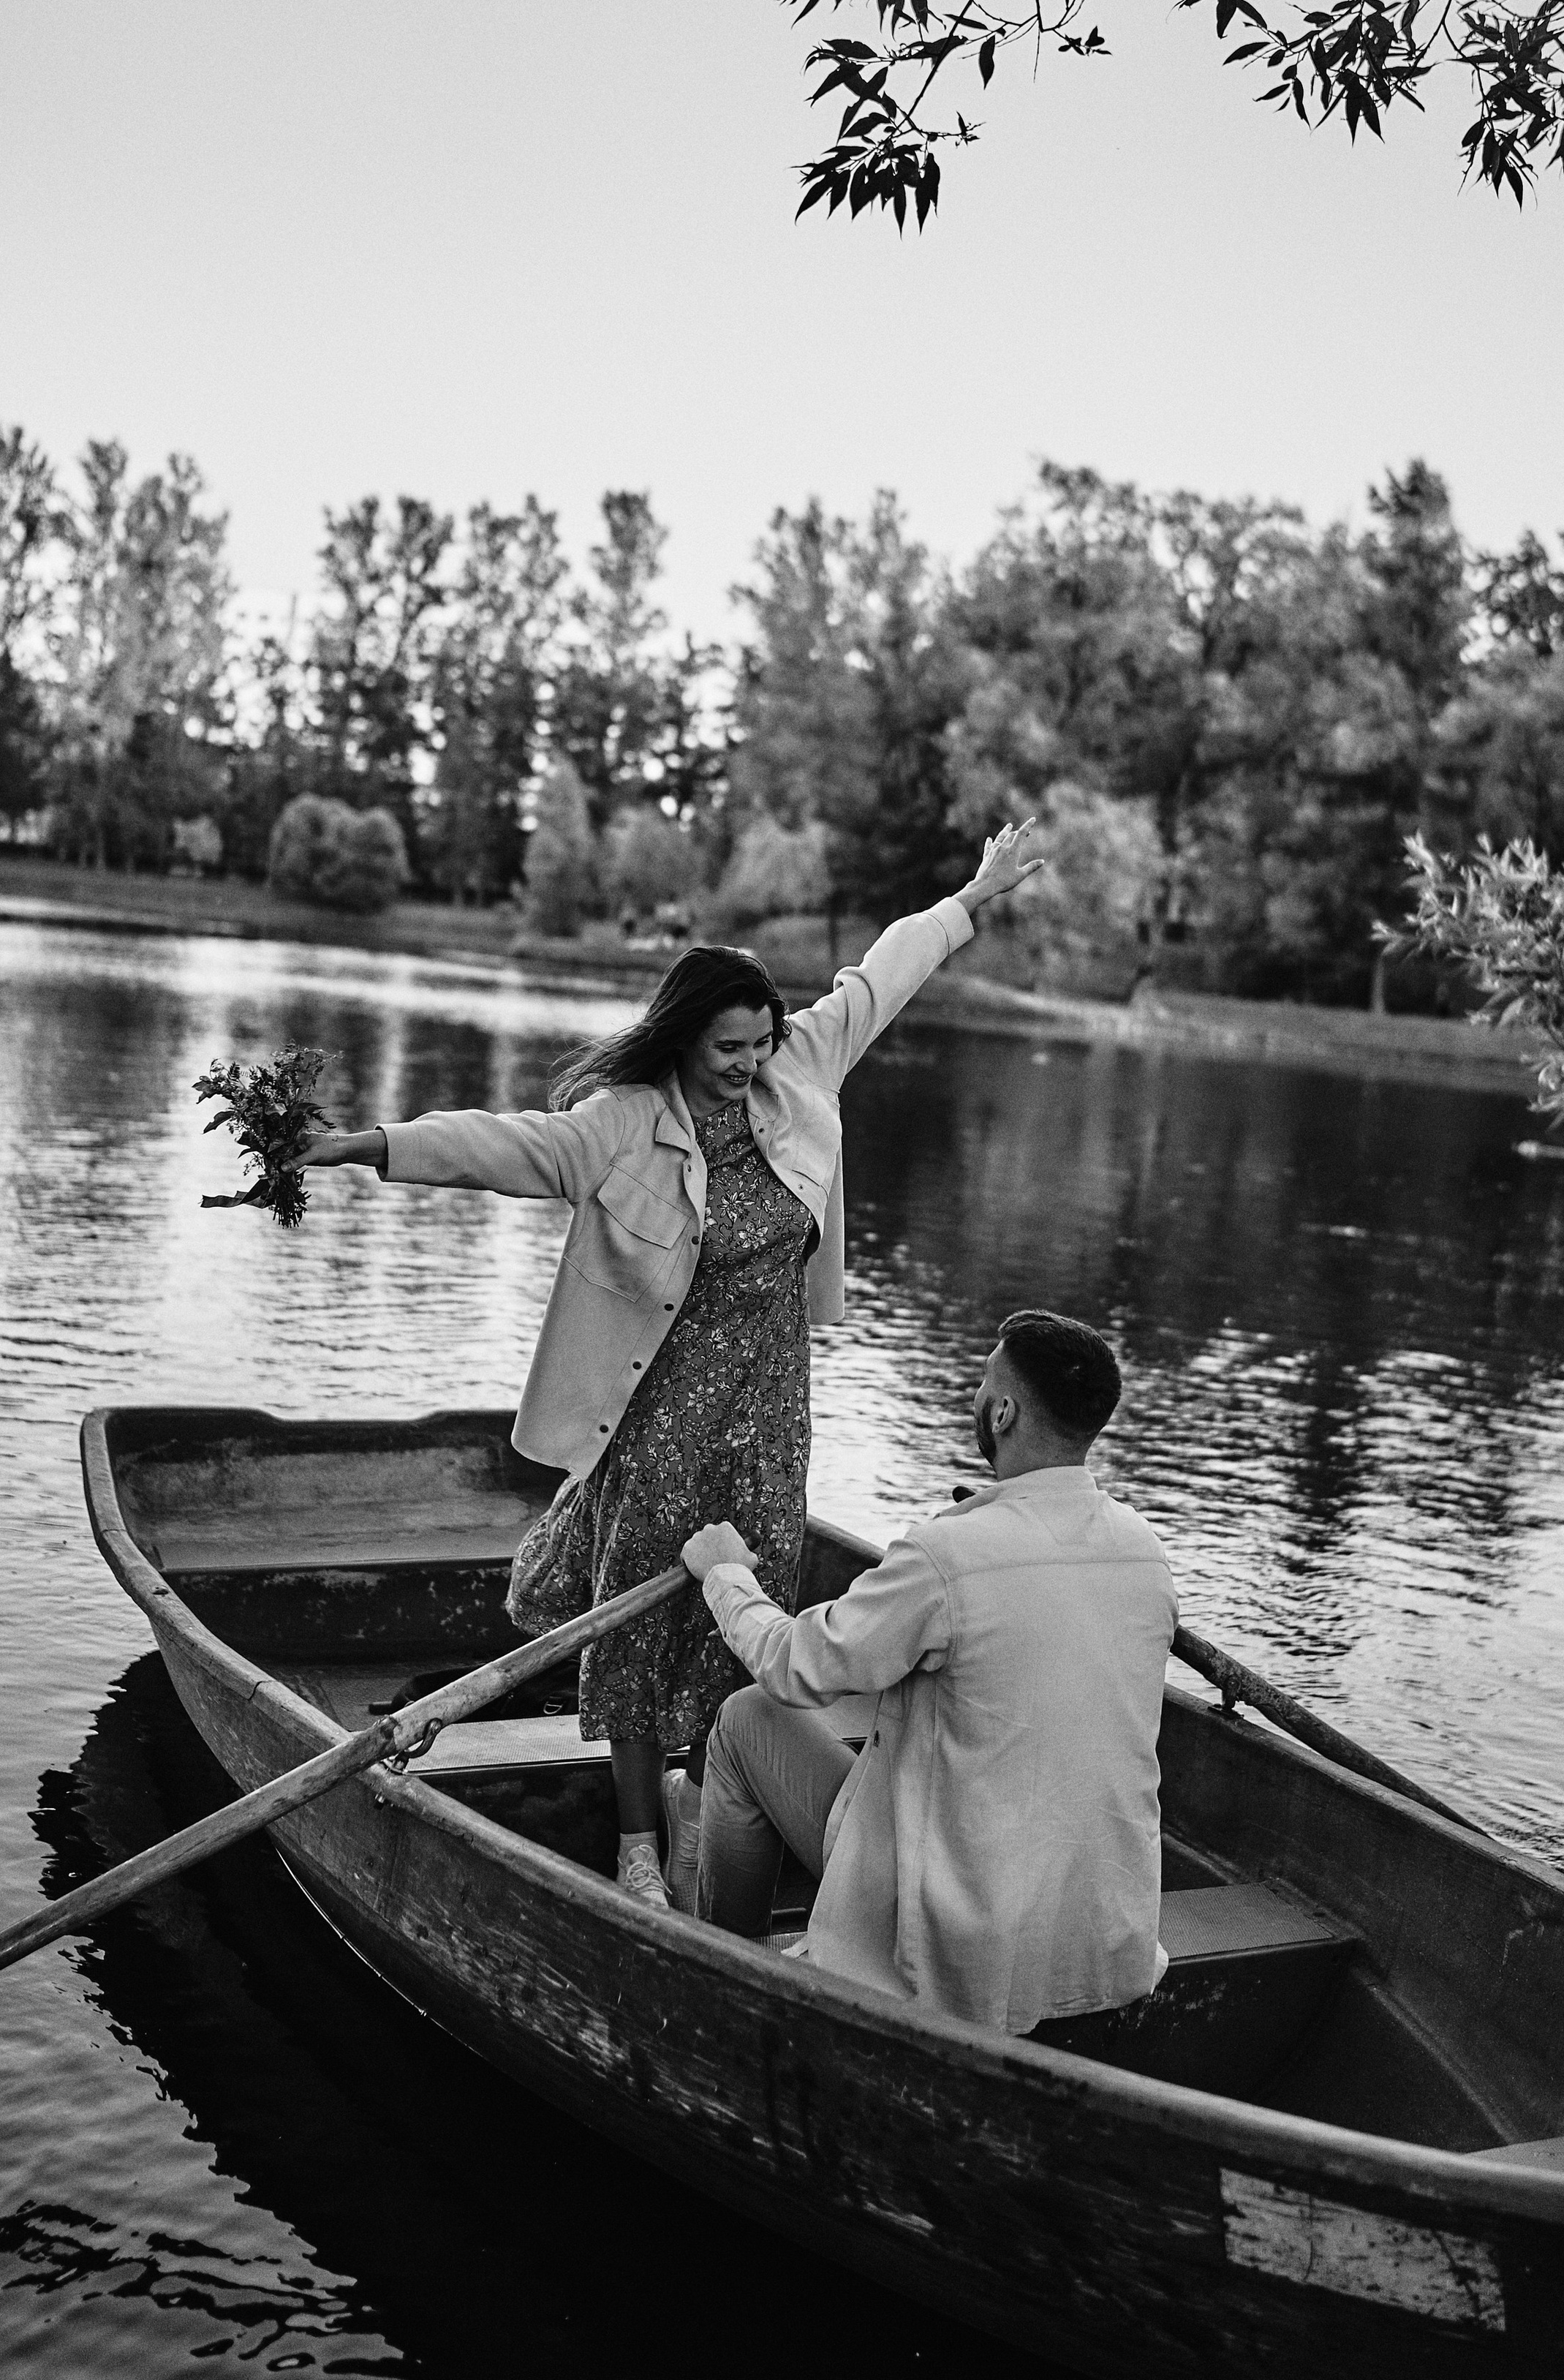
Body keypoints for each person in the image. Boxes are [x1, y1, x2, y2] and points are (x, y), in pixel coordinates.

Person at [296, 820, 1045, 1912]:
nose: (748, 1064)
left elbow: (886, 972)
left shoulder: (800, 1071)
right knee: (642, 1633)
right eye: (728, 1048)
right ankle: (641, 1843)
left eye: (761, 1041)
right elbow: (506, 1148)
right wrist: (368, 1146)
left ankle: (718, 1794)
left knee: (746, 1617)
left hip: (771, 1410)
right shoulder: (625, 1122)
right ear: (685, 1039)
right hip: (659, 1412)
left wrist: (974, 896)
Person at [679, 1310, 1179, 2036]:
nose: (979, 1396)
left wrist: (724, 1575)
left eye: (984, 1380)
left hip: (959, 1929)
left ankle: (716, 1966)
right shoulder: (1145, 1552)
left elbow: (796, 1667)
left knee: (747, 1718)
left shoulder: (947, 1556)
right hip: (1096, 1925)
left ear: (1002, 1411)